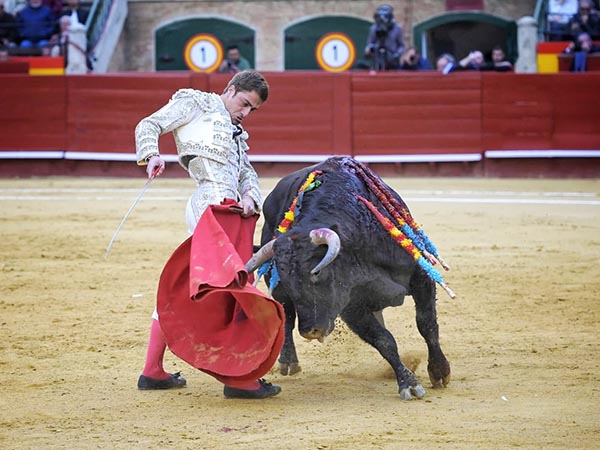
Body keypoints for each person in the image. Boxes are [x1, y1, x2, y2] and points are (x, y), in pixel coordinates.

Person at [134, 70, 281, 399]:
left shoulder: (236, 134)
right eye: (244, 103)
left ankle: (152, 370)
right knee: (237, 288)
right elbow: (149, 124)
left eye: (252, 110)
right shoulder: (196, 102)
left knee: (196, 288)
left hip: (232, 213)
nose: (245, 113)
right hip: (210, 210)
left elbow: (247, 173)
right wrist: (151, 153)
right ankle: (240, 379)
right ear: (230, 90)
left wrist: (249, 197)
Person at [364, 4, 404, 71]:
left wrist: (397, 54)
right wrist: (369, 49)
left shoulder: (397, 29)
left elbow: (401, 46)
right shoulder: (374, 28)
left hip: (392, 60)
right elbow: (369, 43)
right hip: (377, 60)